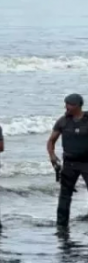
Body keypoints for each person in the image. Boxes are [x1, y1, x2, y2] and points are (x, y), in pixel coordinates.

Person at [47, 93, 88, 228]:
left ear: (77, 106)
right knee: (65, 195)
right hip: (69, 163)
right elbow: (51, 141)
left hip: (86, 163)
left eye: (69, 104)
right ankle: (61, 225)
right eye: (66, 104)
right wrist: (52, 156)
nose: (66, 107)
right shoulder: (63, 121)